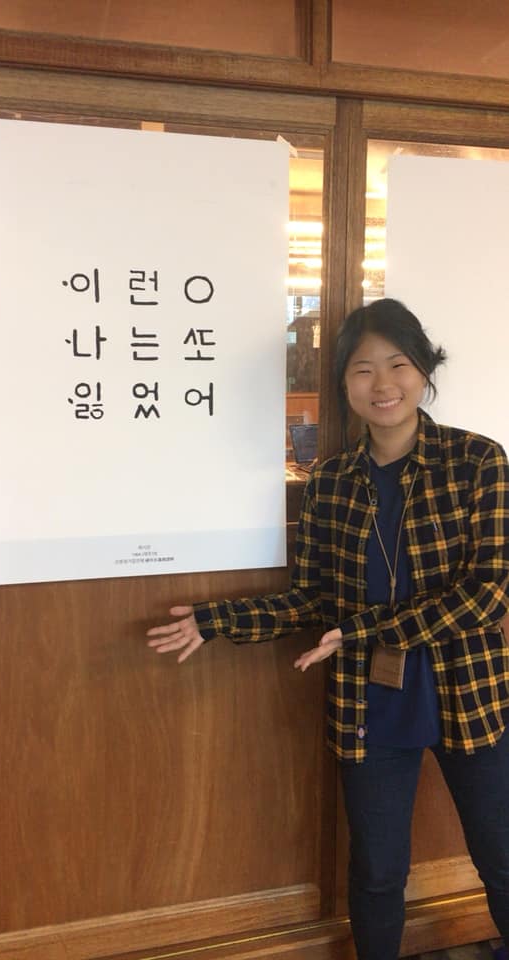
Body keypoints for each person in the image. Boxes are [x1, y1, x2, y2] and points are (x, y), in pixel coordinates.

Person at [147, 297, 509, 960]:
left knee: (503, 858)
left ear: (424, 370)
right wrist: (216, 619)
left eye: (398, 364)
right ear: (344, 383)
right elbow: (311, 601)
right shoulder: (332, 480)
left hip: (469, 693)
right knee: (376, 874)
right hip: (369, 705)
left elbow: (487, 594)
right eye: (363, 369)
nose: (382, 383)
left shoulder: (477, 461)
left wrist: (361, 631)